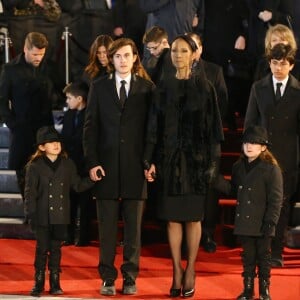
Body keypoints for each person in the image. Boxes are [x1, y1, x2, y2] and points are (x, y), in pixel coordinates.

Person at [144, 34, 223, 298]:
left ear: (193, 54)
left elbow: (214, 131)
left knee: (193, 218)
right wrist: (150, 160)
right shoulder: (162, 88)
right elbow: (152, 129)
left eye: (183, 51)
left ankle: (191, 268)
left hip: (196, 162)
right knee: (172, 219)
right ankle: (176, 269)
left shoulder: (206, 88)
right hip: (168, 161)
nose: (178, 55)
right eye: (174, 51)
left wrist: (212, 163)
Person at [83, 38, 155, 296]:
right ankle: (107, 278)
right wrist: (92, 162)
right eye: (118, 56)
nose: (123, 60)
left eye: (127, 55)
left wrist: (149, 161)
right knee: (107, 230)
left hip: (137, 168)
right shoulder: (99, 86)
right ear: (111, 60)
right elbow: (90, 128)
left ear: (135, 57)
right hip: (106, 168)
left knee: (134, 230)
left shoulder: (147, 88)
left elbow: (151, 130)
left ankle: (130, 276)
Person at [244, 43, 300, 267]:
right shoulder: (259, 88)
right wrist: (251, 150)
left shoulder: (298, 91)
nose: (278, 67)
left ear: (291, 65)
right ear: (269, 64)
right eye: (275, 63)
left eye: (283, 63)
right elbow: (250, 122)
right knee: (260, 203)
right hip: (263, 155)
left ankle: (276, 252)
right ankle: (260, 249)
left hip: (289, 156)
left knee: (282, 205)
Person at [24, 126, 94, 296]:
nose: (56, 144)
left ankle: (55, 282)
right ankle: (38, 282)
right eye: (50, 142)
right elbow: (30, 192)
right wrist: (30, 214)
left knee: (56, 249)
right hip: (41, 215)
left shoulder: (67, 164)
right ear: (41, 147)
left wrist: (92, 180)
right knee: (42, 249)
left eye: (57, 141)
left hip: (60, 216)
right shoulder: (35, 166)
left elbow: (76, 185)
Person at [214, 125, 283, 300]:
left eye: (254, 142)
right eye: (246, 142)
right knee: (248, 257)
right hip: (245, 220)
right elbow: (234, 190)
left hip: (263, 222)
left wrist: (270, 223)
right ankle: (248, 289)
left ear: (263, 147)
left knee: (264, 257)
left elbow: (275, 199)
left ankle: (264, 291)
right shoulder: (239, 166)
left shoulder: (271, 169)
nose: (249, 146)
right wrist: (217, 180)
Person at [186, 31, 228, 253]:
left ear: (200, 49)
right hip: (184, 142)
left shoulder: (214, 71)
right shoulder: (174, 71)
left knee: (210, 187)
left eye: (195, 45)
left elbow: (223, 104)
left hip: (209, 139)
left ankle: (208, 233)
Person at [0, 32, 55, 198]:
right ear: (25, 49)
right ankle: (29, 211)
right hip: (22, 129)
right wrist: (13, 124)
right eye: (35, 54)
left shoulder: (49, 67)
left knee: (47, 173)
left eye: (41, 54)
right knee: (22, 172)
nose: (38, 58)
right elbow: (1, 100)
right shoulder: (10, 70)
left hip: (45, 130)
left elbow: (59, 90)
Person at [61, 81, 92, 246]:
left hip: (85, 165)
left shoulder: (91, 115)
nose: (67, 101)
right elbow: (65, 138)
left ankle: (84, 237)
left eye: (69, 98)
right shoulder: (68, 115)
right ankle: (68, 235)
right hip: (70, 165)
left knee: (85, 202)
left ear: (79, 99)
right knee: (69, 202)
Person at [140, 0, 205, 43]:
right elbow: (145, 6)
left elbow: (200, 20)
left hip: (183, 45)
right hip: (157, 44)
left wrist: (196, 42)